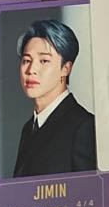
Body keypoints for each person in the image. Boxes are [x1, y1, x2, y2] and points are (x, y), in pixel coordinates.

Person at [12, 18, 96, 176]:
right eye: (26, 60)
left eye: (44, 61)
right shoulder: (28, 128)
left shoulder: (84, 126)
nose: (31, 70)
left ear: (66, 68)